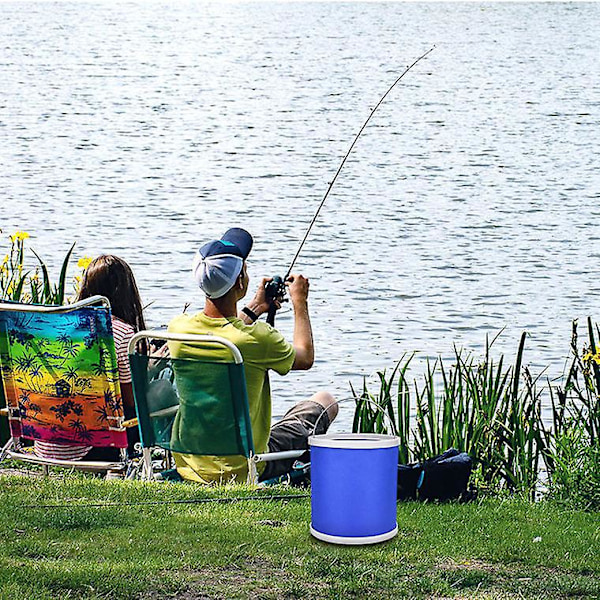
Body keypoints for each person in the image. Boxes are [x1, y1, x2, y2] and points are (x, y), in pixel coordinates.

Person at [168, 227, 337, 484]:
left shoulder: (179, 329)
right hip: (244, 465)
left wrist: (255, 308)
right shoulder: (257, 339)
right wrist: (300, 302)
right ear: (239, 282)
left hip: (190, 463)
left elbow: (227, 334)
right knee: (325, 401)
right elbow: (304, 357)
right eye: (245, 268)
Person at [33, 255, 155, 461]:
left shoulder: (57, 327)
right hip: (92, 447)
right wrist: (151, 368)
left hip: (45, 443)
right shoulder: (121, 332)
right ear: (127, 292)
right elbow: (131, 400)